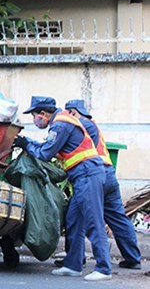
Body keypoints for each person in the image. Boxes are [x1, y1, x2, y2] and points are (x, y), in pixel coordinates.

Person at [13, 96, 112, 281]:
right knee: (73, 219)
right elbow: (47, 147)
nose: (34, 120)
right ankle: (73, 265)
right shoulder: (61, 122)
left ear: (43, 114)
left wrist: (26, 144)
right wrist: (27, 143)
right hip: (82, 176)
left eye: (34, 116)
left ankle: (104, 268)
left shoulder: (60, 124)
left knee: (93, 220)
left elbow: (44, 153)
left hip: (88, 175)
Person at [57, 99, 141, 269]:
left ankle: (76, 260)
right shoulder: (92, 124)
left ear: (72, 112)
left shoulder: (80, 125)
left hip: (92, 175)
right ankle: (133, 258)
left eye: (67, 114)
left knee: (76, 217)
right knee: (118, 218)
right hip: (109, 174)